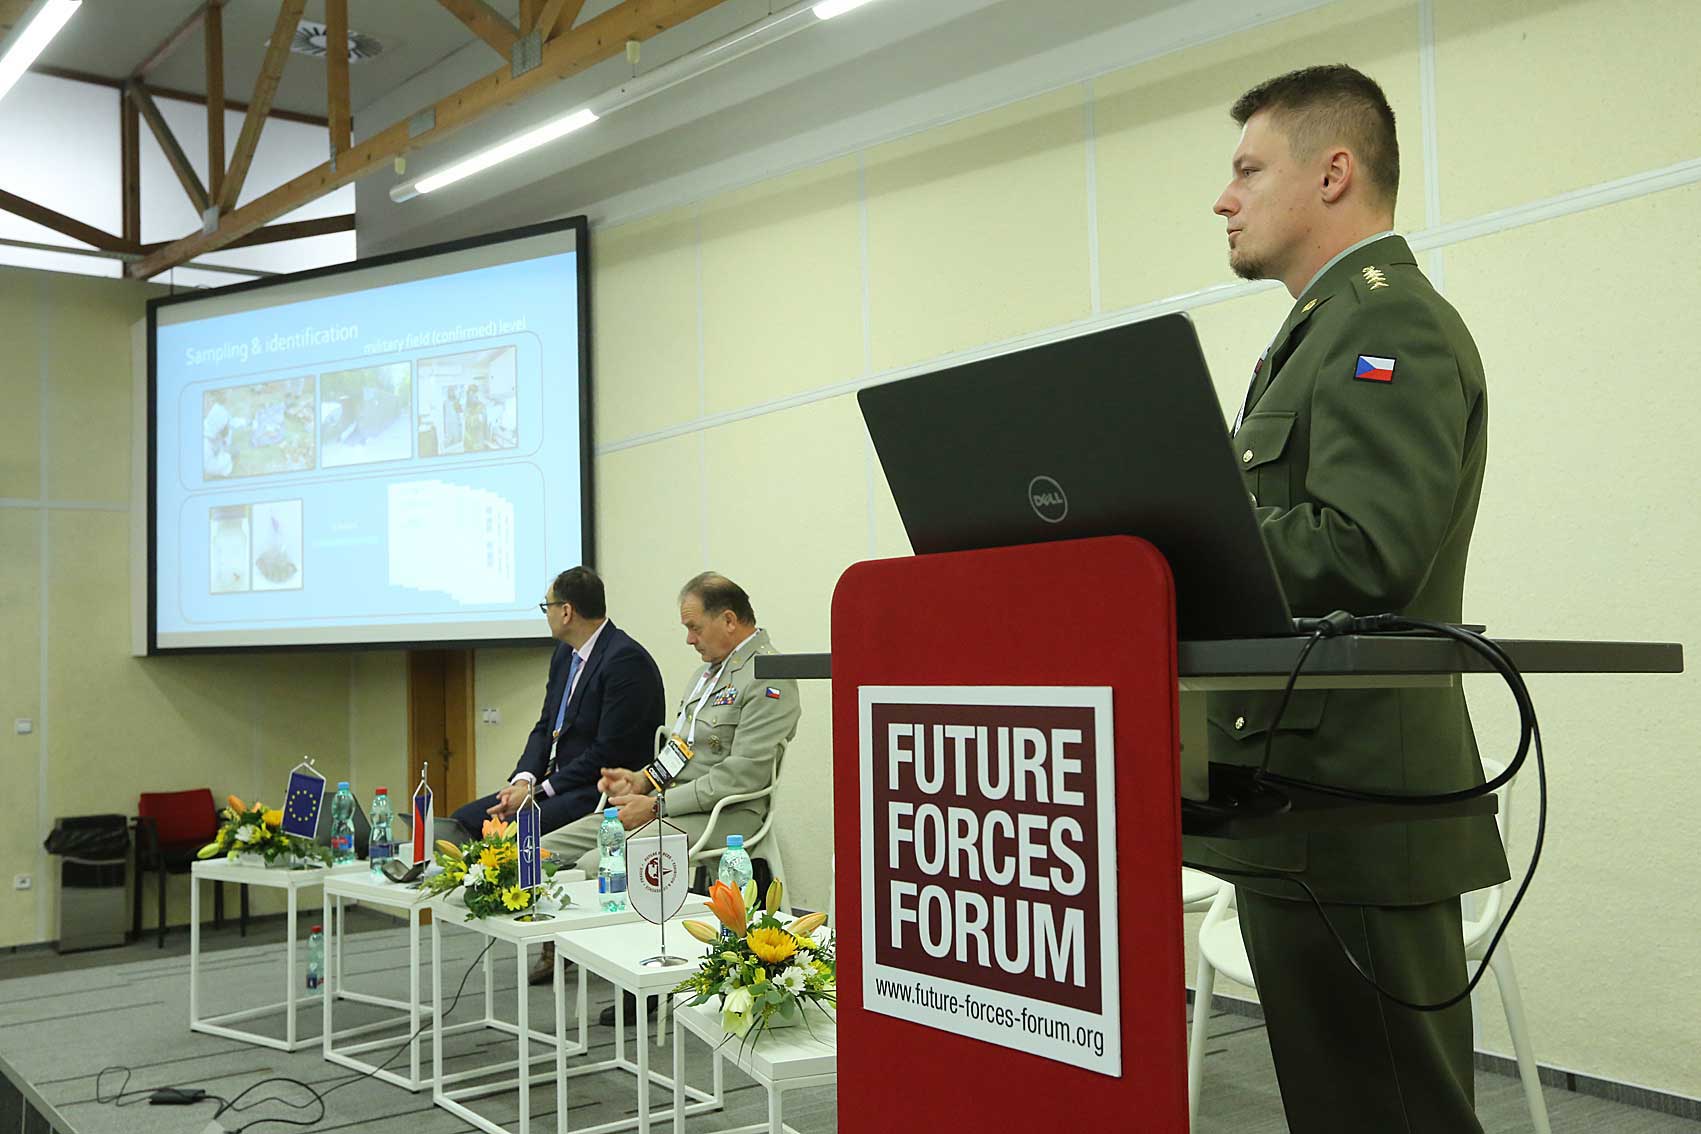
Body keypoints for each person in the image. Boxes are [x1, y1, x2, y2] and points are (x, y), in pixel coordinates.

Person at [1195, 65, 1510, 1133]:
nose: (1224, 199)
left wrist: (1183, 539)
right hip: (1298, 796)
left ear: (1332, 173)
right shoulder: (1314, 334)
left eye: (1248, 170)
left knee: (1392, 1113)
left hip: (1361, 804)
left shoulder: (1391, 324)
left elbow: (1364, 549)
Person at [540, 572, 801, 997]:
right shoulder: (707, 675)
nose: (689, 640)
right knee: (547, 849)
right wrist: (642, 781)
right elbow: (681, 749)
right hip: (672, 803)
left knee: (598, 862)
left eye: (694, 628)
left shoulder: (769, 676)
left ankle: (640, 982)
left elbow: (742, 776)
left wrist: (657, 806)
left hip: (728, 813)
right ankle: (607, 960)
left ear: (729, 620)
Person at [450, 566, 665, 841]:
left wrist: (538, 792)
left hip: (594, 790)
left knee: (509, 835)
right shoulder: (565, 654)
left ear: (566, 611)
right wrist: (524, 780)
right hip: (556, 785)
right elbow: (545, 726)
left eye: (547, 607)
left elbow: (606, 753)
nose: (546, 614)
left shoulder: (625, 661)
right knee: (462, 821)